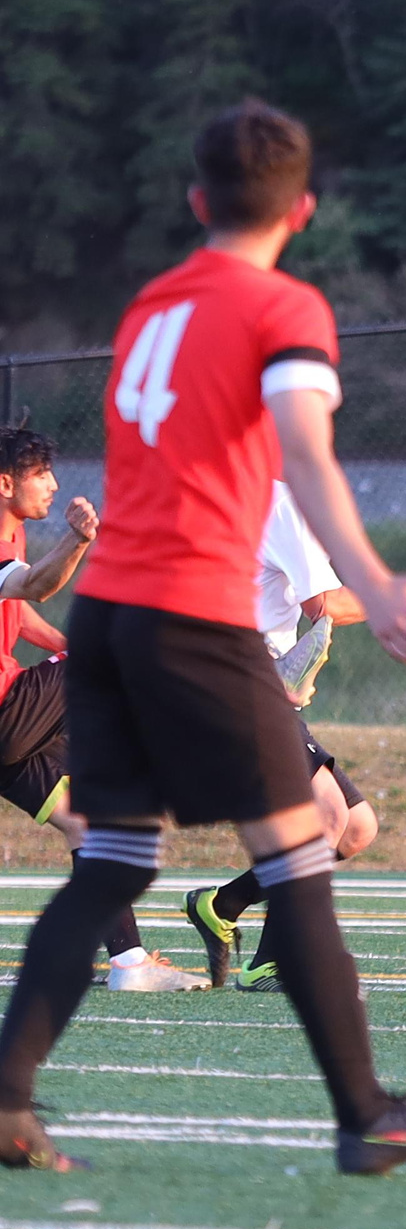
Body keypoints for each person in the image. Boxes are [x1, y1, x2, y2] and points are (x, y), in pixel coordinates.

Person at [0, 98, 406, 1173]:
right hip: (195, 614)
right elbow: (305, 458)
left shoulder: (148, 310)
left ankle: (7, 1098)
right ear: (304, 209)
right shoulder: (283, 307)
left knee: (112, 864)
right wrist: (376, 581)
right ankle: (365, 1113)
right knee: (299, 851)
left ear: (195, 200)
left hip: (113, 617)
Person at [0, 421, 194, 989]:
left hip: (13, 722)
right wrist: (80, 540)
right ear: (4, 484)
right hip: (9, 713)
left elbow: (18, 609)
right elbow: (35, 586)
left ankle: (129, 963)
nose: (54, 485)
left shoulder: (13, 535)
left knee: (90, 821)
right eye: (40, 475)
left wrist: (66, 646)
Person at [182, 482, 378, 990]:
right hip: (239, 676)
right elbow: (325, 604)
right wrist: (389, 596)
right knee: (327, 816)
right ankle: (271, 962)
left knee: (355, 828)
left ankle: (223, 904)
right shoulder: (277, 499)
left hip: (238, 673)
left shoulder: (229, 495)